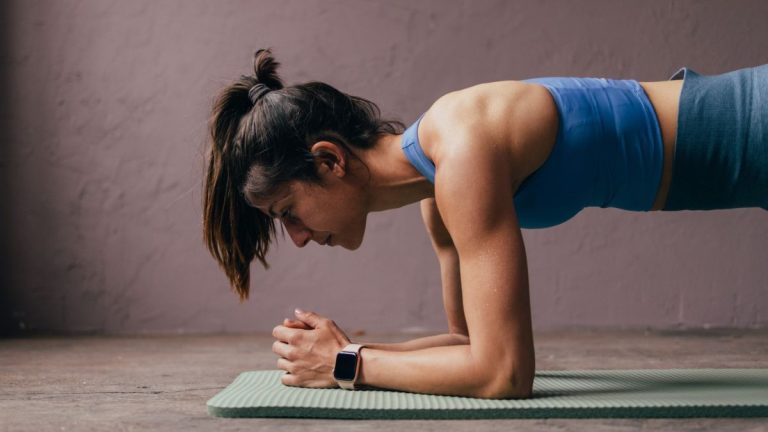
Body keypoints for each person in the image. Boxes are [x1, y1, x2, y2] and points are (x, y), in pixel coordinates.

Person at [203, 48, 768, 398]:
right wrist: (348, 353)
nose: (298, 238)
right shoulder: (439, 192)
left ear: (330, 160)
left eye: (288, 214)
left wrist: (349, 366)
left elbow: (503, 373)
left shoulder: (461, 145)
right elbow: (468, 343)